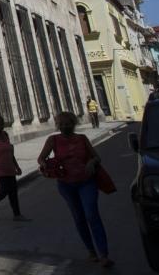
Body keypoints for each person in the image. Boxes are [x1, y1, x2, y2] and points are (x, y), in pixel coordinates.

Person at [37, 111, 112, 268]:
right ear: (58, 125)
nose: (65, 127)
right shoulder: (53, 140)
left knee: (92, 215)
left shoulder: (82, 139)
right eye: (62, 124)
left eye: (68, 124)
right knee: (79, 217)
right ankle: (91, 250)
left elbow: (96, 157)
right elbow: (41, 158)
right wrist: (45, 165)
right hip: (66, 184)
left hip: (86, 182)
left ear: (73, 124)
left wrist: (91, 163)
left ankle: (103, 254)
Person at [0, 113, 28, 220]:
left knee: (13, 191)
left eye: (1, 123)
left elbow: (10, 152)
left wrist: (17, 166)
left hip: (9, 167)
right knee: (4, 189)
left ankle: (17, 215)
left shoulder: (5, 135)